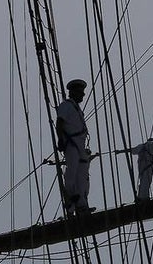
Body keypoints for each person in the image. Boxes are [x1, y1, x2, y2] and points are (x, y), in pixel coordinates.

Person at [55, 78, 92, 215]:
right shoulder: (66, 105)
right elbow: (59, 123)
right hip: (71, 143)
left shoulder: (77, 109)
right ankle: (70, 196)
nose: (82, 95)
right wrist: (60, 139)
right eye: (80, 92)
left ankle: (81, 202)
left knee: (83, 173)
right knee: (73, 168)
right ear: (72, 92)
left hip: (80, 143)